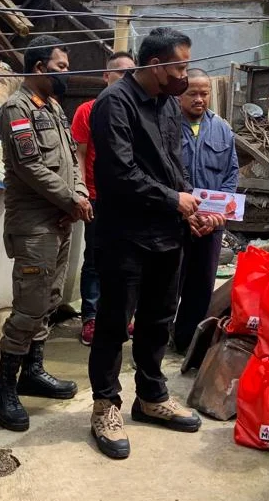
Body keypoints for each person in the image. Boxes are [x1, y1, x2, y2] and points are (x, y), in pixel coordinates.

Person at [87, 27, 215, 460]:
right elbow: (119, 175)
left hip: (166, 234)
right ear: (156, 64)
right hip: (125, 235)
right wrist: (173, 199)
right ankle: (105, 405)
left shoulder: (166, 105)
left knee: (159, 318)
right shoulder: (114, 104)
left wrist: (191, 208)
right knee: (113, 323)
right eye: (179, 66)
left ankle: (151, 397)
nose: (184, 76)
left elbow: (172, 165)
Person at [0, 35, 92, 431]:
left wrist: (77, 195)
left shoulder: (53, 107)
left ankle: (32, 372)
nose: (67, 73)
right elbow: (31, 168)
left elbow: (71, 160)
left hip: (59, 221)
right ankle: (3, 390)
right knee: (28, 307)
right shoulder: (16, 110)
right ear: (38, 69)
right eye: (61, 67)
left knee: (48, 300)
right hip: (33, 226)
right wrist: (71, 201)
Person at [70, 51, 137, 345]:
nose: (126, 78)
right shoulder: (88, 110)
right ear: (106, 76)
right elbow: (79, 156)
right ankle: (91, 318)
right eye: (120, 73)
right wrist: (81, 193)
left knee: (128, 259)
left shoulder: (138, 111)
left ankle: (123, 316)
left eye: (131, 73)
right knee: (96, 259)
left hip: (131, 198)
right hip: (97, 197)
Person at [173, 68, 238, 354]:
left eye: (204, 93)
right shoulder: (167, 127)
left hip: (211, 224)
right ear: (179, 95)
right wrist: (185, 213)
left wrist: (218, 214)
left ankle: (186, 341)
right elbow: (166, 173)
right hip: (175, 222)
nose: (199, 99)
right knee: (166, 285)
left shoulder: (222, 128)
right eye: (192, 94)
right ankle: (154, 341)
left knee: (201, 287)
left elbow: (231, 173)